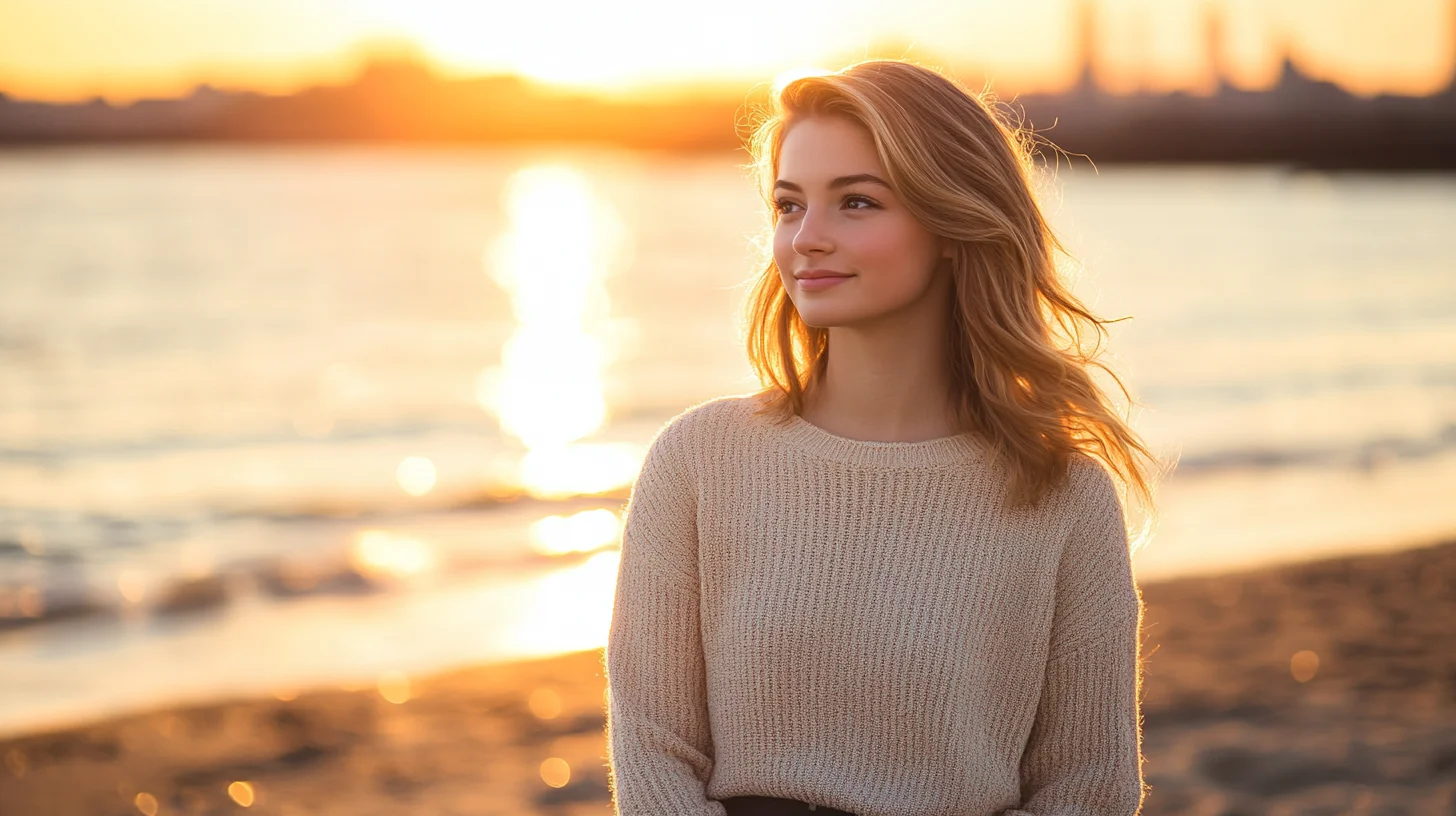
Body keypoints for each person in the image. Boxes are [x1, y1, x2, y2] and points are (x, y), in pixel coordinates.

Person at [602, 59, 1159, 816]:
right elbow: (653, 755)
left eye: (856, 202)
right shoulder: (698, 461)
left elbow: (1088, 789)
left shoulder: (1064, 496)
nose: (808, 239)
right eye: (789, 205)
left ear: (954, 224)